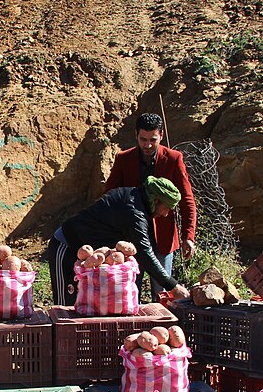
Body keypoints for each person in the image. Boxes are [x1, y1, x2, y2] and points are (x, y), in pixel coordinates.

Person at [47, 176, 191, 306]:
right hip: (66, 248)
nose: (165, 214)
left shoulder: (136, 199)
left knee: (86, 305)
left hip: (90, 257)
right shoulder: (134, 211)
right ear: (156, 200)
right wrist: (173, 286)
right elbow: (144, 252)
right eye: (166, 208)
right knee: (65, 307)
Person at [105, 113, 197, 290]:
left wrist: (188, 236)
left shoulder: (173, 159)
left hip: (162, 238)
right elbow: (110, 196)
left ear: (161, 135)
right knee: (129, 290)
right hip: (131, 239)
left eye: (152, 140)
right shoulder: (123, 159)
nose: (147, 145)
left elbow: (187, 200)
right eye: (143, 139)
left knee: (162, 292)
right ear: (136, 135)